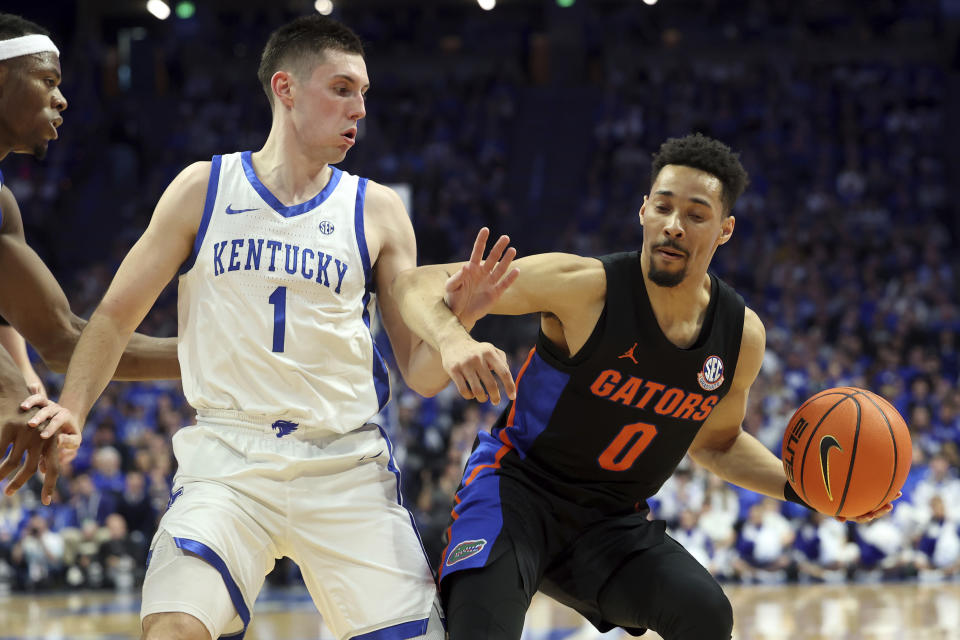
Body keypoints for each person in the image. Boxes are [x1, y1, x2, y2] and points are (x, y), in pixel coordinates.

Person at [29, 15, 514, 640]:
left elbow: (418, 374)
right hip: (229, 460)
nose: (359, 109)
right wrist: (73, 409)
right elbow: (115, 317)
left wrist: (462, 318)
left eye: (364, 93)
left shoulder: (379, 210)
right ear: (285, 88)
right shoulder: (202, 189)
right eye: (342, 89)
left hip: (345, 464)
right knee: (172, 629)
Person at [393, 133, 898, 639]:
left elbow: (717, 445)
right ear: (643, 212)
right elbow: (412, 285)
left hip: (611, 523)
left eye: (696, 215)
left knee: (706, 614)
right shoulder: (584, 288)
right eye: (663, 207)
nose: (674, 226)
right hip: (516, 493)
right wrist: (452, 340)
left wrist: (813, 491)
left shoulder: (739, 336)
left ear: (725, 230)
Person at [0, 13, 179, 504]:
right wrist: (11, 389)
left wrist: (216, 358)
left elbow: (62, 339)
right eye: (47, 80)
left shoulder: (3, 207)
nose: (62, 99)